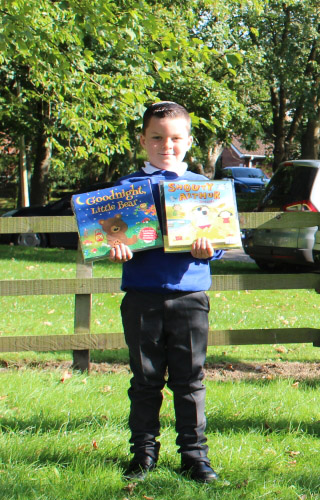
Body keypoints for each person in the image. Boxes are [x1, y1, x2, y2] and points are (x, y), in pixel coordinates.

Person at [111, 101, 221, 483]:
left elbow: (222, 240)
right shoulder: (124, 190)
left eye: (175, 138)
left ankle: (195, 457)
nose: (166, 145)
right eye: (157, 138)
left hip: (190, 298)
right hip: (142, 298)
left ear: (188, 141)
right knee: (145, 380)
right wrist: (114, 247)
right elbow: (107, 236)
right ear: (143, 141)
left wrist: (211, 249)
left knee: (190, 381)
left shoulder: (203, 188)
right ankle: (143, 455)